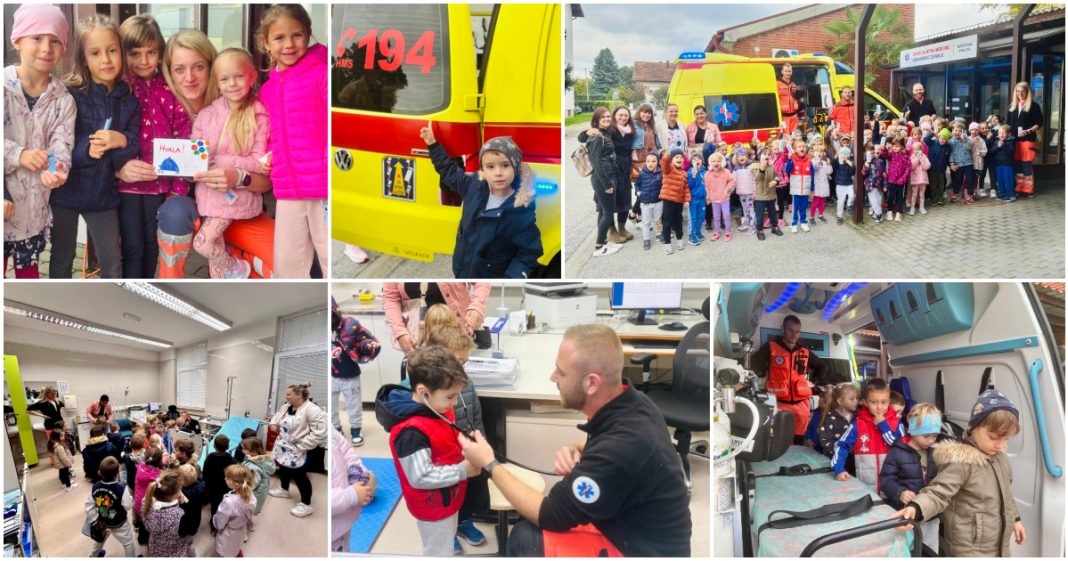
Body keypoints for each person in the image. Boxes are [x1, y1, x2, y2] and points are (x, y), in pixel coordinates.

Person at [458, 324, 692, 556]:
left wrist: (489, 463)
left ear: (591, 383)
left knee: (525, 539)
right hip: (632, 527)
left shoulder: (620, 449)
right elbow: (608, 449)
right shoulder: (633, 403)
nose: (553, 377)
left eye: (561, 372)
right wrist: (579, 449)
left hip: (643, 549)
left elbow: (548, 514)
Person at [52, 14, 141, 279]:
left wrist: (121, 140)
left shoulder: (129, 98)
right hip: (65, 194)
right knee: (61, 259)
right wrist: (85, 151)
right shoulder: (69, 93)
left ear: (122, 53)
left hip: (103, 197)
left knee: (112, 263)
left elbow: (134, 142)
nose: (106, 59)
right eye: (96, 53)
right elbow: (55, 143)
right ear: (83, 59)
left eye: (112, 50)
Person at [890, 390, 1025, 556]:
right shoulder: (960, 461)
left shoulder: (1000, 458)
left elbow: (1006, 494)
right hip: (968, 549)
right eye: (993, 437)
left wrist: (1015, 520)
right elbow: (938, 493)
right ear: (974, 427)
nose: (999, 445)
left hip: (999, 545)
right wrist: (916, 508)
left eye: (1006, 439)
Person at [376, 346, 478, 556]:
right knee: (438, 552)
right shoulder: (411, 433)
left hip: (447, 496)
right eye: (450, 397)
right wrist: (462, 470)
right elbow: (420, 476)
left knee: (446, 543)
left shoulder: (436, 408)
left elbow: (443, 438)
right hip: (433, 508)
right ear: (424, 392)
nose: (454, 403)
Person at [116, 14, 191, 278]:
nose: (144, 61)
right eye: (135, 53)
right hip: (126, 186)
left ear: (160, 51)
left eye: (151, 52)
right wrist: (117, 167)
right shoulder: (119, 89)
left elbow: (184, 132)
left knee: (151, 244)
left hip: (159, 185)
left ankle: (147, 282)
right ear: (123, 53)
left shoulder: (169, 86)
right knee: (131, 246)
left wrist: (178, 188)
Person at [4, 4, 75, 279]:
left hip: (32, 218)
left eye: (55, 40)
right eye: (37, 37)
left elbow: (61, 145)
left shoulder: (63, 100)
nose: (46, 47)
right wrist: (18, 155)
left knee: (29, 278)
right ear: (17, 40)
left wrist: (58, 170)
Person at [256, 4, 328, 278]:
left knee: (328, 255)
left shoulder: (321, 74)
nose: (289, 44)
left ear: (308, 36)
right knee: (288, 265)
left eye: (297, 35)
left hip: (322, 188)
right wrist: (271, 155)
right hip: (288, 189)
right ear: (266, 42)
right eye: (279, 38)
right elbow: (273, 134)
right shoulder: (268, 88)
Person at [419, 125, 541, 278]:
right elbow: (448, 171)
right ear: (483, 169)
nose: (498, 173)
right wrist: (433, 145)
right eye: (490, 167)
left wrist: (512, 278)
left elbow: (529, 251)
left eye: (505, 165)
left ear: (515, 167)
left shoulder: (521, 210)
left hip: (490, 277)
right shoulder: (473, 185)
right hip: (462, 269)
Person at [190, 47, 269, 279]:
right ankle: (223, 277)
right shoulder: (206, 115)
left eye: (239, 76)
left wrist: (221, 161)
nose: (232, 83)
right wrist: (193, 163)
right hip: (208, 196)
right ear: (217, 82)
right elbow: (196, 151)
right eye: (225, 78)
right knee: (216, 250)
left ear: (252, 76)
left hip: (233, 200)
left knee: (203, 244)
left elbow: (257, 160)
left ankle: (237, 267)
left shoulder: (258, 116)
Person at [150, 29, 221, 278]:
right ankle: (171, 279)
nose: (189, 77)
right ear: (169, 71)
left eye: (198, 67)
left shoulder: (228, 101)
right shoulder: (160, 105)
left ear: (211, 66)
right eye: (179, 69)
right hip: (180, 201)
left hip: (228, 200)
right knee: (175, 212)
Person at [422, 313, 490, 552]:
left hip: (469, 450)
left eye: (465, 362)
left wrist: (480, 441)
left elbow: (476, 414)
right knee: (449, 496)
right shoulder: (428, 392)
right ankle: (448, 529)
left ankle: (464, 521)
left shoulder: (466, 382)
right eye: (458, 361)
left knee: (471, 492)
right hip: (446, 458)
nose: (463, 368)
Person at [750, 315, 828, 443]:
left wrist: (814, 383)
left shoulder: (805, 352)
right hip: (779, 403)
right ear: (782, 329)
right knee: (778, 440)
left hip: (802, 404)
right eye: (790, 330)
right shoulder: (771, 347)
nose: (794, 335)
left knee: (800, 441)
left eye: (797, 331)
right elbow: (752, 364)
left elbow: (824, 366)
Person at [831, 378, 906, 490]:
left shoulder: (896, 423)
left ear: (889, 401)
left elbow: (900, 448)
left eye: (883, 402)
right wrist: (839, 469)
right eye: (873, 402)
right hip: (865, 488)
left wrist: (883, 426)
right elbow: (841, 445)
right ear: (865, 402)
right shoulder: (858, 424)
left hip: (893, 489)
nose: (879, 407)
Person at [269, 382, 328, 518]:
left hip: (300, 448)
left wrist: (301, 446)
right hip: (284, 445)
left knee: (299, 475)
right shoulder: (286, 406)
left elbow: (320, 433)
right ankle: (284, 489)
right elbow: (276, 416)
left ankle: (306, 504)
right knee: (283, 467)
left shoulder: (312, 410)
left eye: (289, 394)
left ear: (299, 395)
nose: (286, 397)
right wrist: (273, 424)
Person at [382, 282, 489, 356]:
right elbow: (390, 297)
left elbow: (482, 282)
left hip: (458, 333)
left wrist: (477, 306)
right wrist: (400, 333)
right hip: (418, 339)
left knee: (459, 377)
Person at [332, 296, 381, 446]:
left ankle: (356, 429)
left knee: (354, 405)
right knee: (332, 406)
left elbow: (363, 339)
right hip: (332, 376)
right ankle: (336, 429)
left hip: (350, 375)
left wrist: (367, 345)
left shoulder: (350, 325)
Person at [580, 107, 623, 255]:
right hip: (603, 178)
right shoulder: (597, 137)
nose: (606, 119)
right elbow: (596, 163)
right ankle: (599, 247)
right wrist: (606, 184)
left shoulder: (604, 133)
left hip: (608, 176)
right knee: (609, 213)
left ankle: (603, 242)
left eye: (608, 116)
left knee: (603, 211)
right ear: (597, 119)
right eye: (603, 117)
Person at [880, 403, 941, 510]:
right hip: (906, 510)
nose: (931, 440)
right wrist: (900, 493)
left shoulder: (935, 453)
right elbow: (886, 479)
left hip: (930, 511)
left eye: (935, 436)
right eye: (926, 435)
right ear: (913, 430)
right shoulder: (897, 452)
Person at [331, 426, 376, 553]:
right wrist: (350, 496)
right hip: (330, 532)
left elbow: (346, 450)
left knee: (345, 549)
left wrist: (358, 474)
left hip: (344, 523)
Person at [86, 456, 135, 557]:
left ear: (99, 472)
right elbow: (128, 506)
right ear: (117, 472)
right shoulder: (121, 488)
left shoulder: (95, 486)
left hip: (102, 521)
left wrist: (94, 521)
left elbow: (89, 506)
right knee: (128, 542)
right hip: (119, 523)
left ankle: (93, 556)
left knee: (100, 539)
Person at [1007, 82, 1043, 198]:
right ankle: (1019, 187)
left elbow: (1039, 123)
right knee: (1017, 165)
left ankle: (1028, 190)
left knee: (1026, 165)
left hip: (1027, 139)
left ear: (1027, 92)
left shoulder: (1034, 106)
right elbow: (1008, 124)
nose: (1020, 93)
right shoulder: (1012, 106)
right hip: (1014, 140)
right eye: (1018, 91)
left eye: (1023, 91)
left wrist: (1028, 131)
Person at [607, 106, 636, 240]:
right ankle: (612, 231)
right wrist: (588, 131)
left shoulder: (630, 131)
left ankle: (622, 228)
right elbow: (583, 137)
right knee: (611, 202)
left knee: (625, 199)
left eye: (626, 115)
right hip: (612, 170)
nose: (624, 117)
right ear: (614, 115)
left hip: (625, 170)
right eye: (621, 115)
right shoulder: (609, 129)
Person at [214, 464, 256, 557]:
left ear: (236, 484)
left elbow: (220, 522)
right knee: (236, 546)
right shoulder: (251, 495)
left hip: (229, 533)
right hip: (241, 529)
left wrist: (216, 524)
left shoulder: (228, 502)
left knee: (227, 551)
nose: (225, 479)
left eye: (227, 478)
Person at [142, 470, 186, 557]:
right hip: (174, 552)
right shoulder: (179, 514)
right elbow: (185, 536)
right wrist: (183, 504)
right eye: (180, 489)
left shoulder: (146, 503)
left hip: (155, 547)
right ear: (173, 495)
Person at [659, 148, 690, 254]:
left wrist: (687, 200)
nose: (679, 159)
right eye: (676, 157)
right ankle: (667, 244)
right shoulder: (669, 169)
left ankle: (680, 240)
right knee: (667, 222)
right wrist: (667, 155)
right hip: (668, 200)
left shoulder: (684, 173)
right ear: (671, 160)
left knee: (678, 221)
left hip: (679, 201)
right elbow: (664, 163)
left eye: (681, 157)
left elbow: (686, 188)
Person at [818, 382, 858, 460]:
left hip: (854, 461)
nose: (856, 401)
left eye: (856, 398)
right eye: (852, 399)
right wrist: (840, 450)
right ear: (840, 401)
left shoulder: (858, 416)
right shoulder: (830, 418)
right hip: (835, 460)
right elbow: (824, 440)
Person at [133, 445, 163, 545]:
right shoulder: (157, 476)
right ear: (159, 461)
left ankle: (141, 540)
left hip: (137, 504)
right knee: (148, 525)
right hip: (147, 507)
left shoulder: (140, 466)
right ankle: (148, 540)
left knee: (142, 523)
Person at [633, 151, 663, 251]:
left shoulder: (661, 173)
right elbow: (637, 184)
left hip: (658, 202)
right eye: (648, 161)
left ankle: (659, 234)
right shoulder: (642, 173)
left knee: (658, 221)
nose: (650, 163)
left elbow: (664, 185)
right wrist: (637, 192)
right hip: (645, 203)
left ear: (658, 162)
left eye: (653, 161)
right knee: (646, 222)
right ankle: (646, 239)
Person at [750, 147, 781, 240]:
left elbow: (777, 176)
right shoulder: (754, 167)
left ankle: (774, 227)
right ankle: (760, 230)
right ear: (759, 156)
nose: (767, 156)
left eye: (768, 154)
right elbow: (757, 178)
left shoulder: (772, 166)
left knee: (773, 213)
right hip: (760, 196)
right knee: (760, 214)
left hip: (771, 195)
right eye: (764, 154)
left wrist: (775, 181)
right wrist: (762, 169)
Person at [204, 434, 236, 522]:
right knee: (225, 503)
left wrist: (207, 485)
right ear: (228, 446)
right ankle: (224, 520)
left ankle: (214, 521)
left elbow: (205, 472)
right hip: (226, 487)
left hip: (212, 487)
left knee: (214, 504)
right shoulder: (231, 459)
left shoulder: (210, 457)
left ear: (214, 446)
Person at [783, 140, 814, 233]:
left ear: (806, 148)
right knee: (795, 207)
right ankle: (794, 224)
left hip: (805, 189)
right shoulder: (792, 159)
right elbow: (787, 170)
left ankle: (804, 222)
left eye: (803, 146)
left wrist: (812, 188)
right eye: (799, 147)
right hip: (796, 189)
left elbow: (812, 175)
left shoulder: (809, 160)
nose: (802, 148)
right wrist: (789, 159)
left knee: (804, 207)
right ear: (795, 149)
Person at [240, 436, 275, 516]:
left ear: (252, 451)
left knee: (248, 512)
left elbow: (252, 485)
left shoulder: (253, 467)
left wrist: (239, 489)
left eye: (244, 449)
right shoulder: (264, 458)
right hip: (260, 492)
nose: (242, 450)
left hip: (254, 494)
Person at [704, 152, 734, 242]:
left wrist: (727, 190)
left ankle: (728, 231)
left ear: (722, 162)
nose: (716, 163)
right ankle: (717, 231)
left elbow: (732, 180)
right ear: (710, 163)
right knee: (716, 217)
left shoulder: (726, 172)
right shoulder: (707, 174)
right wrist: (708, 197)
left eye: (718, 161)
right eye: (714, 161)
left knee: (726, 215)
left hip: (724, 198)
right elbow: (706, 187)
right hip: (714, 199)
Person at [176, 463, 205, 556]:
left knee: (186, 537)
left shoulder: (184, 494)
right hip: (196, 516)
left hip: (185, 520)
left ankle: (188, 546)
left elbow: (182, 504)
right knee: (192, 529)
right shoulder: (201, 486)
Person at [883, 137, 911, 221]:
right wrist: (885, 149)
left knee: (900, 197)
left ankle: (898, 212)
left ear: (902, 146)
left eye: (897, 146)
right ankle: (889, 211)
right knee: (891, 196)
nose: (895, 148)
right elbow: (884, 155)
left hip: (901, 181)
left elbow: (908, 169)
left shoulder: (906, 157)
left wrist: (903, 179)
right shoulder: (891, 154)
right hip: (892, 180)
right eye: (894, 146)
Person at [988, 125, 1017, 201]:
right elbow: (991, 152)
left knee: (1008, 180)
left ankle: (1010, 195)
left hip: (1008, 165)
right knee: (1000, 180)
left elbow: (1011, 152)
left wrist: (1003, 145)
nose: (1001, 134)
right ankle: (1002, 193)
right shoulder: (996, 141)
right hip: (998, 164)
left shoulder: (1011, 141)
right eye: (1000, 133)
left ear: (1009, 134)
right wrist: (998, 146)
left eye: (1004, 133)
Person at [732, 148, 756, 234]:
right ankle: (746, 223)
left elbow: (756, 179)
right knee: (745, 209)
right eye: (739, 156)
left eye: (743, 155)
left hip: (750, 192)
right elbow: (733, 180)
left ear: (747, 156)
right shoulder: (736, 168)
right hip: (741, 192)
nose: (741, 157)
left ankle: (753, 226)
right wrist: (730, 190)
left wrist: (755, 191)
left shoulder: (752, 165)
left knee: (751, 210)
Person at [862, 142, 887, 224]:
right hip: (870, 186)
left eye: (873, 153)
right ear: (865, 153)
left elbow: (884, 174)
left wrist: (885, 185)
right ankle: (879, 215)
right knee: (873, 201)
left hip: (879, 185)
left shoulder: (879, 161)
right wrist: (866, 167)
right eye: (869, 154)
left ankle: (877, 214)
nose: (871, 155)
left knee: (879, 201)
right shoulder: (864, 162)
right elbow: (863, 174)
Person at [685, 154, 706, 245]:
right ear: (691, 162)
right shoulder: (689, 172)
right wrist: (693, 177)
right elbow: (689, 186)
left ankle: (697, 231)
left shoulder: (705, 172)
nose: (696, 160)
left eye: (698, 158)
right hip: (693, 199)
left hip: (702, 199)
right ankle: (691, 236)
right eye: (694, 159)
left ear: (701, 161)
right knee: (693, 218)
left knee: (701, 217)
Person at [832, 147, 855, 225]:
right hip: (840, 184)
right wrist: (836, 157)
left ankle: (849, 205)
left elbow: (852, 172)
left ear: (848, 155)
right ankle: (839, 216)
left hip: (849, 183)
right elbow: (833, 166)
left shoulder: (849, 162)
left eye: (845, 153)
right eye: (842, 153)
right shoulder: (838, 162)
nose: (843, 155)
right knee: (840, 202)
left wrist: (850, 163)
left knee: (852, 195)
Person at [907, 142, 931, 216]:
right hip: (915, 179)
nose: (917, 151)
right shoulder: (912, 157)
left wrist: (922, 159)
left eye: (918, 149)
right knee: (914, 194)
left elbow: (927, 166)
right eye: (915, 149)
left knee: (922, 194)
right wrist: (917, 159)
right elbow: (912, 167)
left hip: (923, 179)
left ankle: (922, 207)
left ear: (921, 149)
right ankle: (912, 207)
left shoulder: (924, 156)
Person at [776, 63, 801, 133]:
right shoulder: (777, 84)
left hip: (794, 116)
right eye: (786, 71)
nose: (788, 73)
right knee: (786, 136)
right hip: (784, 116)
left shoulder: (793, 84)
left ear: (792, 72)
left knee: (794, 135)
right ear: (782, 72)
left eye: (789, 71)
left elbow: (795, 98)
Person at [811, 147, 832, 223]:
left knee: (822, 201)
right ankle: (812, 216)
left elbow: (829, 171)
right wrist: (818, 160)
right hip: (817, 184)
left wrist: (829, 164)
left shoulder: (824, 161)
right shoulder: (813, 161)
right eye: (817, 151)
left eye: (821, 152)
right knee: (815, 201)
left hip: (824, 184)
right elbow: (815, 167)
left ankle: (820, 215)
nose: (819, 153)